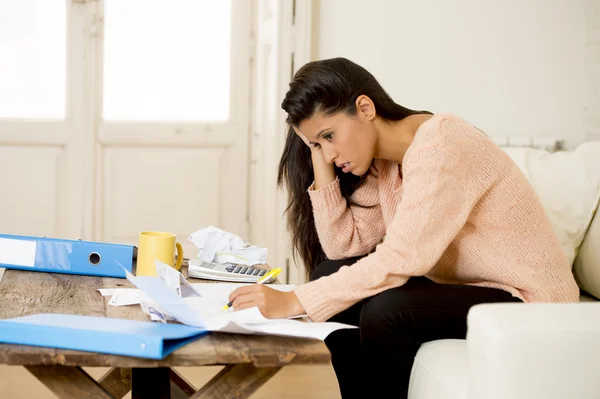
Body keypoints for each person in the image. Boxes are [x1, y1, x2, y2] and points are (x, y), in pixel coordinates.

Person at [228, 57, 580, 398]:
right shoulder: (386, 164)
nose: (330, 153)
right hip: (475, 287)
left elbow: (403, 259)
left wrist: (294, 300)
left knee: (388, 312)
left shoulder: (441, 145)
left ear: (365, 109)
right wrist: (321, 160)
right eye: (317, 145)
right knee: (327, 273)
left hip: (530, 299)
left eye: (330, 135)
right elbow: (343, 247)